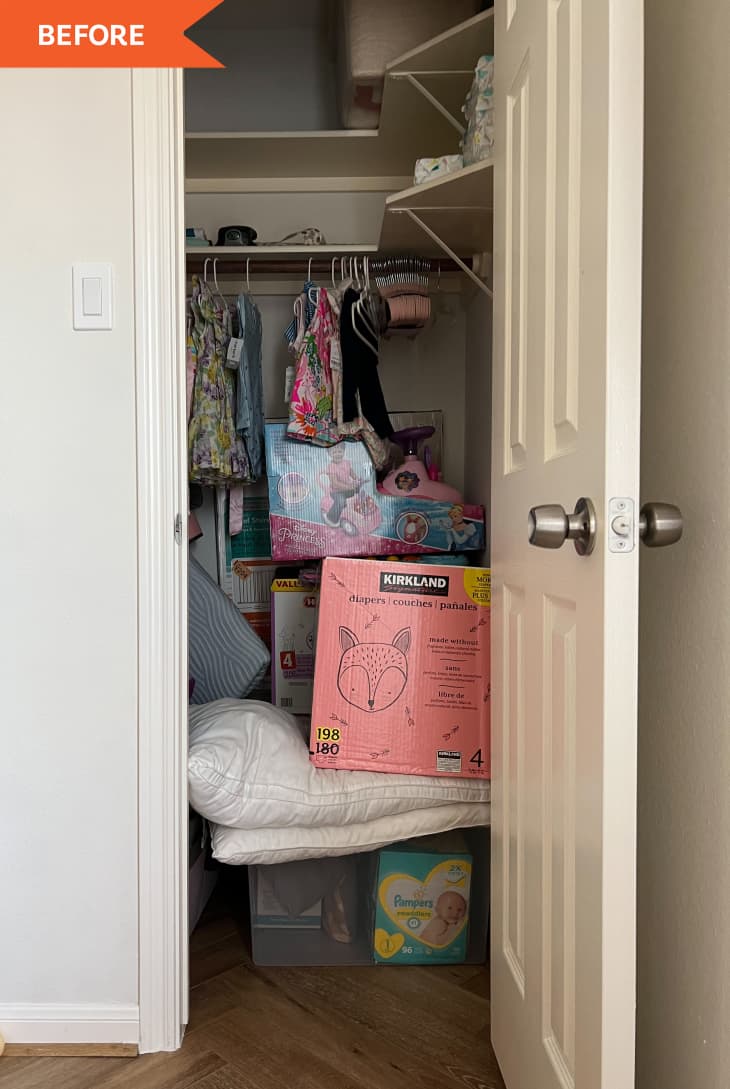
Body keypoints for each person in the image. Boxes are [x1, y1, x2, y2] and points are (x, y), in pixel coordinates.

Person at [322, 445, 363, 527]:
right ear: (329, 454)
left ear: (344, 452)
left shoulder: (346, 462)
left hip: (347, 488)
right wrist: (349, 487)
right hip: (336, 491)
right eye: (334, 452)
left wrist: (357, 479)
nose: (337, 454)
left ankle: (359, 509)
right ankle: (331, 518)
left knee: (359, 490)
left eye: (340, 451)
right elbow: (335, 483)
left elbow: (351, 472)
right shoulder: (331, 467)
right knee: (340, 501)